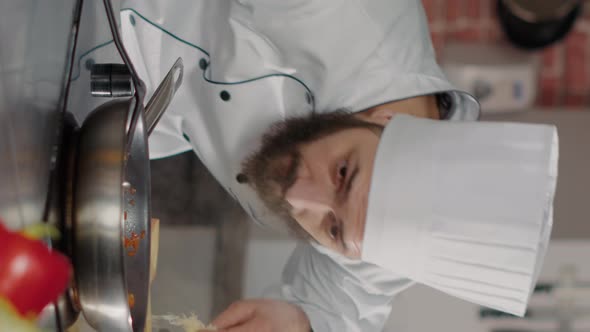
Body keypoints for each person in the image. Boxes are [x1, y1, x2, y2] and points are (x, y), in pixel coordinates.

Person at [70, 0, 558, 331]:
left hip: (114, 110)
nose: (299, 196)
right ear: (385, 118)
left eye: (331, 229)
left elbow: (348, 305)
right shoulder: (347, 14)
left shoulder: (383, 237)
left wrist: (302, 322)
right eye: (343, 174)